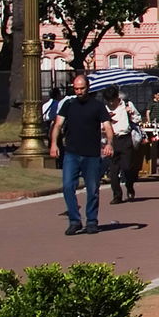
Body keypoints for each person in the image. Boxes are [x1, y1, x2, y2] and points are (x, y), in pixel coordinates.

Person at [48, 75, 113, 235]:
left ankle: (91, 221)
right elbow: (57, 125)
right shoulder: (69, 105)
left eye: (82, 88)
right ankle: (74, 221)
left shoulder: (97, 106)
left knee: (92, 189)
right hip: (72, 153)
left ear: (88, 87)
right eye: (76, 89)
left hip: (91, 154)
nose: (79, 91)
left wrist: (109, 144)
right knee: (68, 186)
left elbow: (108, 127)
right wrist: (54, 144)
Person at [104, 89, 142, 203]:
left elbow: (138, 119)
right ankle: (117, 195)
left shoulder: (127, 104)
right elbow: (101, 125)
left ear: (117, 98)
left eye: (113, 100)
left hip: (125, 139)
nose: (111, 103)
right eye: (108, 101)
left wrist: (131, 114)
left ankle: (130, 187)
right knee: (113, 170)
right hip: (113, 140)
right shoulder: (105, 109)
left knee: (127, 167)